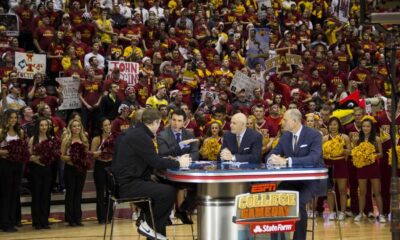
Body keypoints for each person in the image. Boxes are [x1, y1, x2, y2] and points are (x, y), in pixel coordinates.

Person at [112, 109, 190, 240]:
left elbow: (149, 158)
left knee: (162, 192)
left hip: (126, 181)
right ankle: (148, 225)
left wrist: (171, 159)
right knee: (168, 192)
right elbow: (155, 162)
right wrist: (179, 163)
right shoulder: (141, 136)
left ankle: (154, 233)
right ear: (156, 122)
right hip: (129, 185)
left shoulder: (135, 132)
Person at [266, 109, 325, 240]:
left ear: (295, 121)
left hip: (312, 180)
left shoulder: (314, 135)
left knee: (297, 203)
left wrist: (287, 161)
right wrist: (272, 160)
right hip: (292, 181)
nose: (282, 122)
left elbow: (313, 159)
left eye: (285, 120)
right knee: (275, 200)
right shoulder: (285, 136)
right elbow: (272, 153)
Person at [157, 109, 199, 224]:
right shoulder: (162, 135)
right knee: (169, 188)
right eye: (174, 120)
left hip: (186, 172)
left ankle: (182, 210)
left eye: (179, 121)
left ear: (184, 122)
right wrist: (179, 160)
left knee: (199, 187)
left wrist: (186, 159)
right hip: (167, 173)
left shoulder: (189, 134)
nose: (176, 123)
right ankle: (165, 215)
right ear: (170, 120)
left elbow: (195, 153)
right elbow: (164, 153)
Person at [353, 117, 386, 223]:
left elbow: (381, 154)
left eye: (368, 126)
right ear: (361, 127)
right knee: (362, 192)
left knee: (377, 192)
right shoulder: (357, 139)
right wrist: (360, 155)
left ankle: (381, 214)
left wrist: (370, 155)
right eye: (364, 126)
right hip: (362, 168)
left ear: (371, 127)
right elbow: (354, 154)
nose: (366, 128)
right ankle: (361, 213)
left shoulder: (376, 139)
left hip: (373, 167)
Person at [61, 119, 90, 227]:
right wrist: (72, 158)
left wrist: (83, 159)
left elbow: (86, 154)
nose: (77, 128)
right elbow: (62, 156)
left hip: (81, 170)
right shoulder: (66, 140)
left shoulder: (84, 139)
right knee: (70, 194)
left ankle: (78, 218)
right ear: (70, 128)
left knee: (78, 194)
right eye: (74, 126)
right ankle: (70, 218)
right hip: (70, 170)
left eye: (78, 126)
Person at [0, 109, 25, 232]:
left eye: (15, 117)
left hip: (17, 165)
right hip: (5, 166)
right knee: (6, 194)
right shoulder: (1, 132)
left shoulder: (20, 132)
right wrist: (6, 152)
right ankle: (4, 223)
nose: (13, 120)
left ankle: (12, 220)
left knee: (14, 194)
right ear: (6, 118)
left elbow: (23, 147)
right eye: (11, 117)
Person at [322, 117, 351, 221]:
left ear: (338, 125)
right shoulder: (325, 138)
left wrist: (340, 149)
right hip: (329, 164)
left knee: (342, 190)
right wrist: (328, 153)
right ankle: (331, 212)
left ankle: (342, 212)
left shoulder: (345, 137)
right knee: (330, 190)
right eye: (331, 125)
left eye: (335, 124)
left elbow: (350, 151)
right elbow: (322, 153)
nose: (332, 127)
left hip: (341, 163)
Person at [28, 118, 54, 229]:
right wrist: (38, 158)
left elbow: (54, 155)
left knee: (45, 195)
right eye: (41, 125)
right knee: (37, 195)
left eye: (46, 125)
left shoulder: (51, 139)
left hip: (47, 169)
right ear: (38, 126)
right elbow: (29, 157)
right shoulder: (33, 139)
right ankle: (37, 221)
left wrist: (47, 158)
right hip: (35, 170)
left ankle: (45, 220)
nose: (44, 127)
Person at [91, 118, 113, 224]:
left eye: (109, 124)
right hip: (100, 166)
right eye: (105, 125)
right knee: (100, 192)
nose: (108, 127)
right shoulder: (96, 139)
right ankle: (101, 217)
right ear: (101, 127)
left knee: (111, 192)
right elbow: (92, 155)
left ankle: (109, 215)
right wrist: (100, 152)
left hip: (111, 165)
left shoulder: (114, 138)